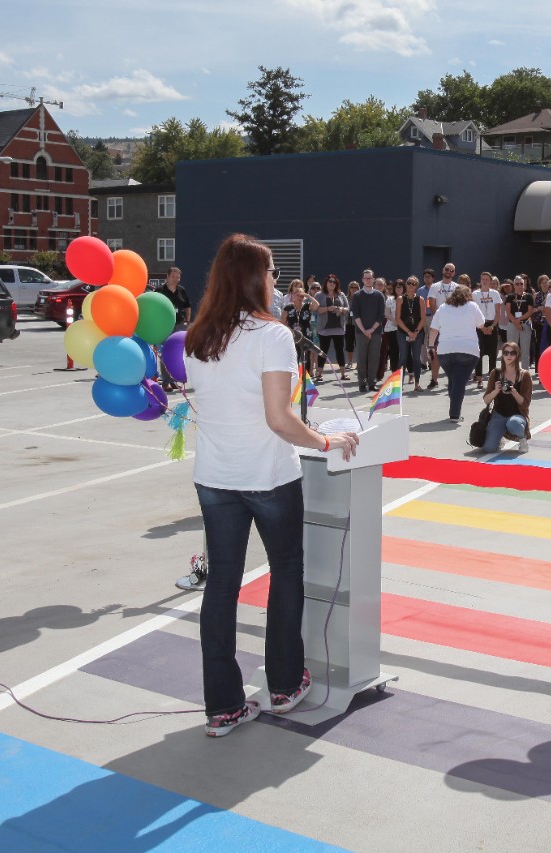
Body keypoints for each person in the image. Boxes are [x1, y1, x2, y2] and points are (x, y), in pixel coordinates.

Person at [183, 233, 358, 737]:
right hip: (267, 477)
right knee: (286, 572)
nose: (277, 280)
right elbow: (280, 419)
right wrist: (325, 441)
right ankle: (283, 684)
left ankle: (222, 705)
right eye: (273, 272)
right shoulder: (271, 335)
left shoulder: (199, 337)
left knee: (221, 586)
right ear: (256, 279)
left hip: (215, 477)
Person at [429, 283, 485, 422]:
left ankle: (454, 410)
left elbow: (434, 329)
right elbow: (481, 324)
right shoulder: (472, 306)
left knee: (454, 381)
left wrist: (430, 346)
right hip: (467, 350)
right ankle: (454, 414)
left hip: (445, 351)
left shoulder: (442, 308)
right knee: (459, 383)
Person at [480, 342, 532, 453]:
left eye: (512, 353)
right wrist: (496, 390)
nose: (509, 356)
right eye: (506, 353)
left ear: (517, 355)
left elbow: (525, 403)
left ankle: (522, 439)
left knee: (514, 423)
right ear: (502, 355)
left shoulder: (524, 375)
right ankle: (499, 435)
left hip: (517, 415)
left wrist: (514, 392)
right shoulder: (496, 373)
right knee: (489, 448)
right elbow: (486, 400)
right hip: (499, 414)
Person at [156, 266, 191, 392]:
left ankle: (174, 380)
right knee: (166, 353)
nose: (176, 279)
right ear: (167, 277)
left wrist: (187, 320)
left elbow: (187, 306)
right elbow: (153, 308)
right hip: (165, 326)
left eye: (178, 277)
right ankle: (166, 382)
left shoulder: (182, 290)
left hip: (180, 325)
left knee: (178, 354)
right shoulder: (159, 290)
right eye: (173, 276)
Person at [349, 270, 385, 393]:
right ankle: (362, 383)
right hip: (361, 333)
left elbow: (381, 315)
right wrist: (364, 330)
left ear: (373, 279)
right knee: (361, 358)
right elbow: (356, 315)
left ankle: (372, 382)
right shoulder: (357, 295)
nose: (368, 280)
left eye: (370, 278)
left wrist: (372, 329)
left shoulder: (379, 295)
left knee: (374, 358)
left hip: (375, 332)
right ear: (363, 280)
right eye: (366, 278)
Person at [314, 275, 349, 382]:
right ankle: (319, 374)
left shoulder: (341, 294)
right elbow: (316, 309)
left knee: (340, 351)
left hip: (338, 327)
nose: (332, 283)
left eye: (334, 282)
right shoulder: (319, 295)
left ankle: (343, 374)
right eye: (330, 281)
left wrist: (340, 309)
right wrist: (328, 308)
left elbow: (347, 309)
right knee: (323, 351)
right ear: (326, 282)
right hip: (325, 328)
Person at [397, 275, 427, 391]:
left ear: (416, 286)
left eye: (413, 284)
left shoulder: (420, 300)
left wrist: (415, 332)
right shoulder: (400, 299)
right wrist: (408, 332)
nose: (410, 285)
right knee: (403, 358)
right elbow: (398, 319)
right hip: (403, 332)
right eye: (409, 283)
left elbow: (423, 319)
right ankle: (399, 384)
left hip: (417, 333)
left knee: (416, 358)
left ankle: (417, 383)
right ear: (406, 284)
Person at [474, 272, 503, 387]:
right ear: (480, 281)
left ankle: (492, 379)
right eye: (483, 279)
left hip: (492, 325)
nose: (485, 281)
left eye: (487, 279)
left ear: (490, 281)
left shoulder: (495, 294)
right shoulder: (475, 294)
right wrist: (481, 327)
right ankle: (479, 378)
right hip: (479, 325)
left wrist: (492, 326)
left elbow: (498, 313)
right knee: (479, 353)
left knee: (492, 354)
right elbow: (474, 312)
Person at [505, 275, 535, 369]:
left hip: (525, 324)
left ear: (524, 285)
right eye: (517, 284)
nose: (519, 285)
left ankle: (525, 372)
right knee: (511, 349)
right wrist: (516, 322)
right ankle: (511, 370)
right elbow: (508, 312)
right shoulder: (510, 296)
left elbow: (530, 311)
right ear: (514, 285)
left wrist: (519, 320)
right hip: (512, 324)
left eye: (521, 283)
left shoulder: (529, 296)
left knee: (525, 350)